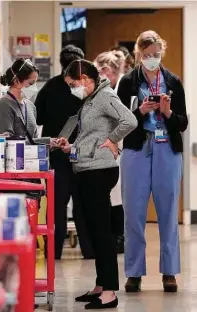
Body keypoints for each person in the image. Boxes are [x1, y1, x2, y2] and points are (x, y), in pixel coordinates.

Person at [60, 59, 137, 309]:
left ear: (84, 79)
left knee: (102, 233)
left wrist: (113, 140)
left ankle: (110, 292)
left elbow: (130, 120)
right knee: (94, 231)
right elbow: (91, 134)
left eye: (73, 84)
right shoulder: (90, 100)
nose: (72, 89)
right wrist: (72, 147)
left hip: (99, 170)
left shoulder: (104, 97)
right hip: (86, 167)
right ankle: (101, 285)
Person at [117, 30, 188, 293]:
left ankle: (169, 271)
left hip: (167, 149)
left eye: (156, 55)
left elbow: (182, 123)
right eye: (146, 55)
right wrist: (140, 112)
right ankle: (134, 272)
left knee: (168, 211)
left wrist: (168, 112)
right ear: (138, 54)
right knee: (134, 213)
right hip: (137, 148)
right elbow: (118, 122)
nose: (151, 59)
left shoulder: (173, 81)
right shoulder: (127, 83)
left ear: (162, 52)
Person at [34, 45, 93, 260]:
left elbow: (38, 118)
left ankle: (54, 251)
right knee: (83, 204)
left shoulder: (49, 87)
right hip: (83, 154)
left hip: (57, 155)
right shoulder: (88, 88)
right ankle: (89, 250)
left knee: (57, 206)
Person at [94, 51, 127, 254]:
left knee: (118, 195)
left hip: (120, 145)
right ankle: (116, 235)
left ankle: (119, 236)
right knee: (115, 194)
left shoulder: (118, 89)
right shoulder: (111, 89)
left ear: (107, 71)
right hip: (113, 145)